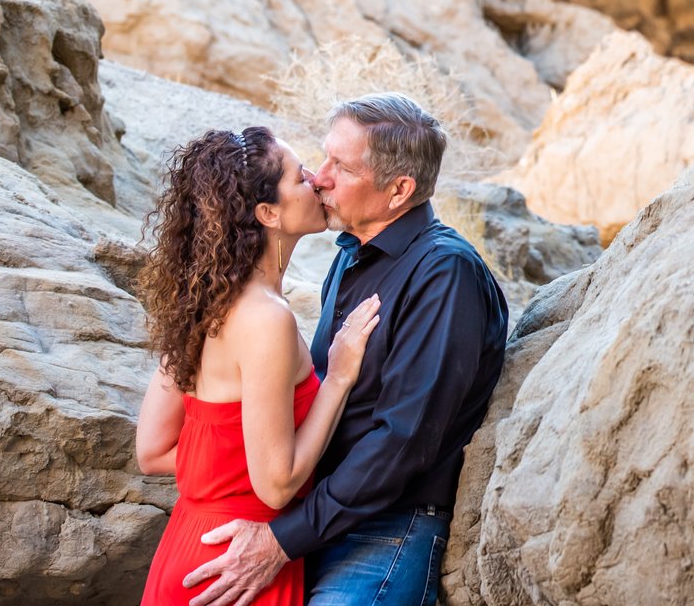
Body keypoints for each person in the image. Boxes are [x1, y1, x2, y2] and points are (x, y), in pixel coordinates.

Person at [182, 93, 509, 606]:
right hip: (318, 522)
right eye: (325, 157)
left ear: (399, 190)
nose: (320, 177)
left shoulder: (445, 273)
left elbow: (403, 441)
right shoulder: (352, 255)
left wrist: (281, 540)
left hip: (386, 532)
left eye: (343, 167)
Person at [136, 126, 382, 606]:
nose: (316, 180)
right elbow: (277, 485)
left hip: (191, 544)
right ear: (268, 213)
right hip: (239, 562)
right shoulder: (267, 318)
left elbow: (152, 449)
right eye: (299, 177)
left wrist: (229, 465)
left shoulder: (206, 301)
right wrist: (338, 378)